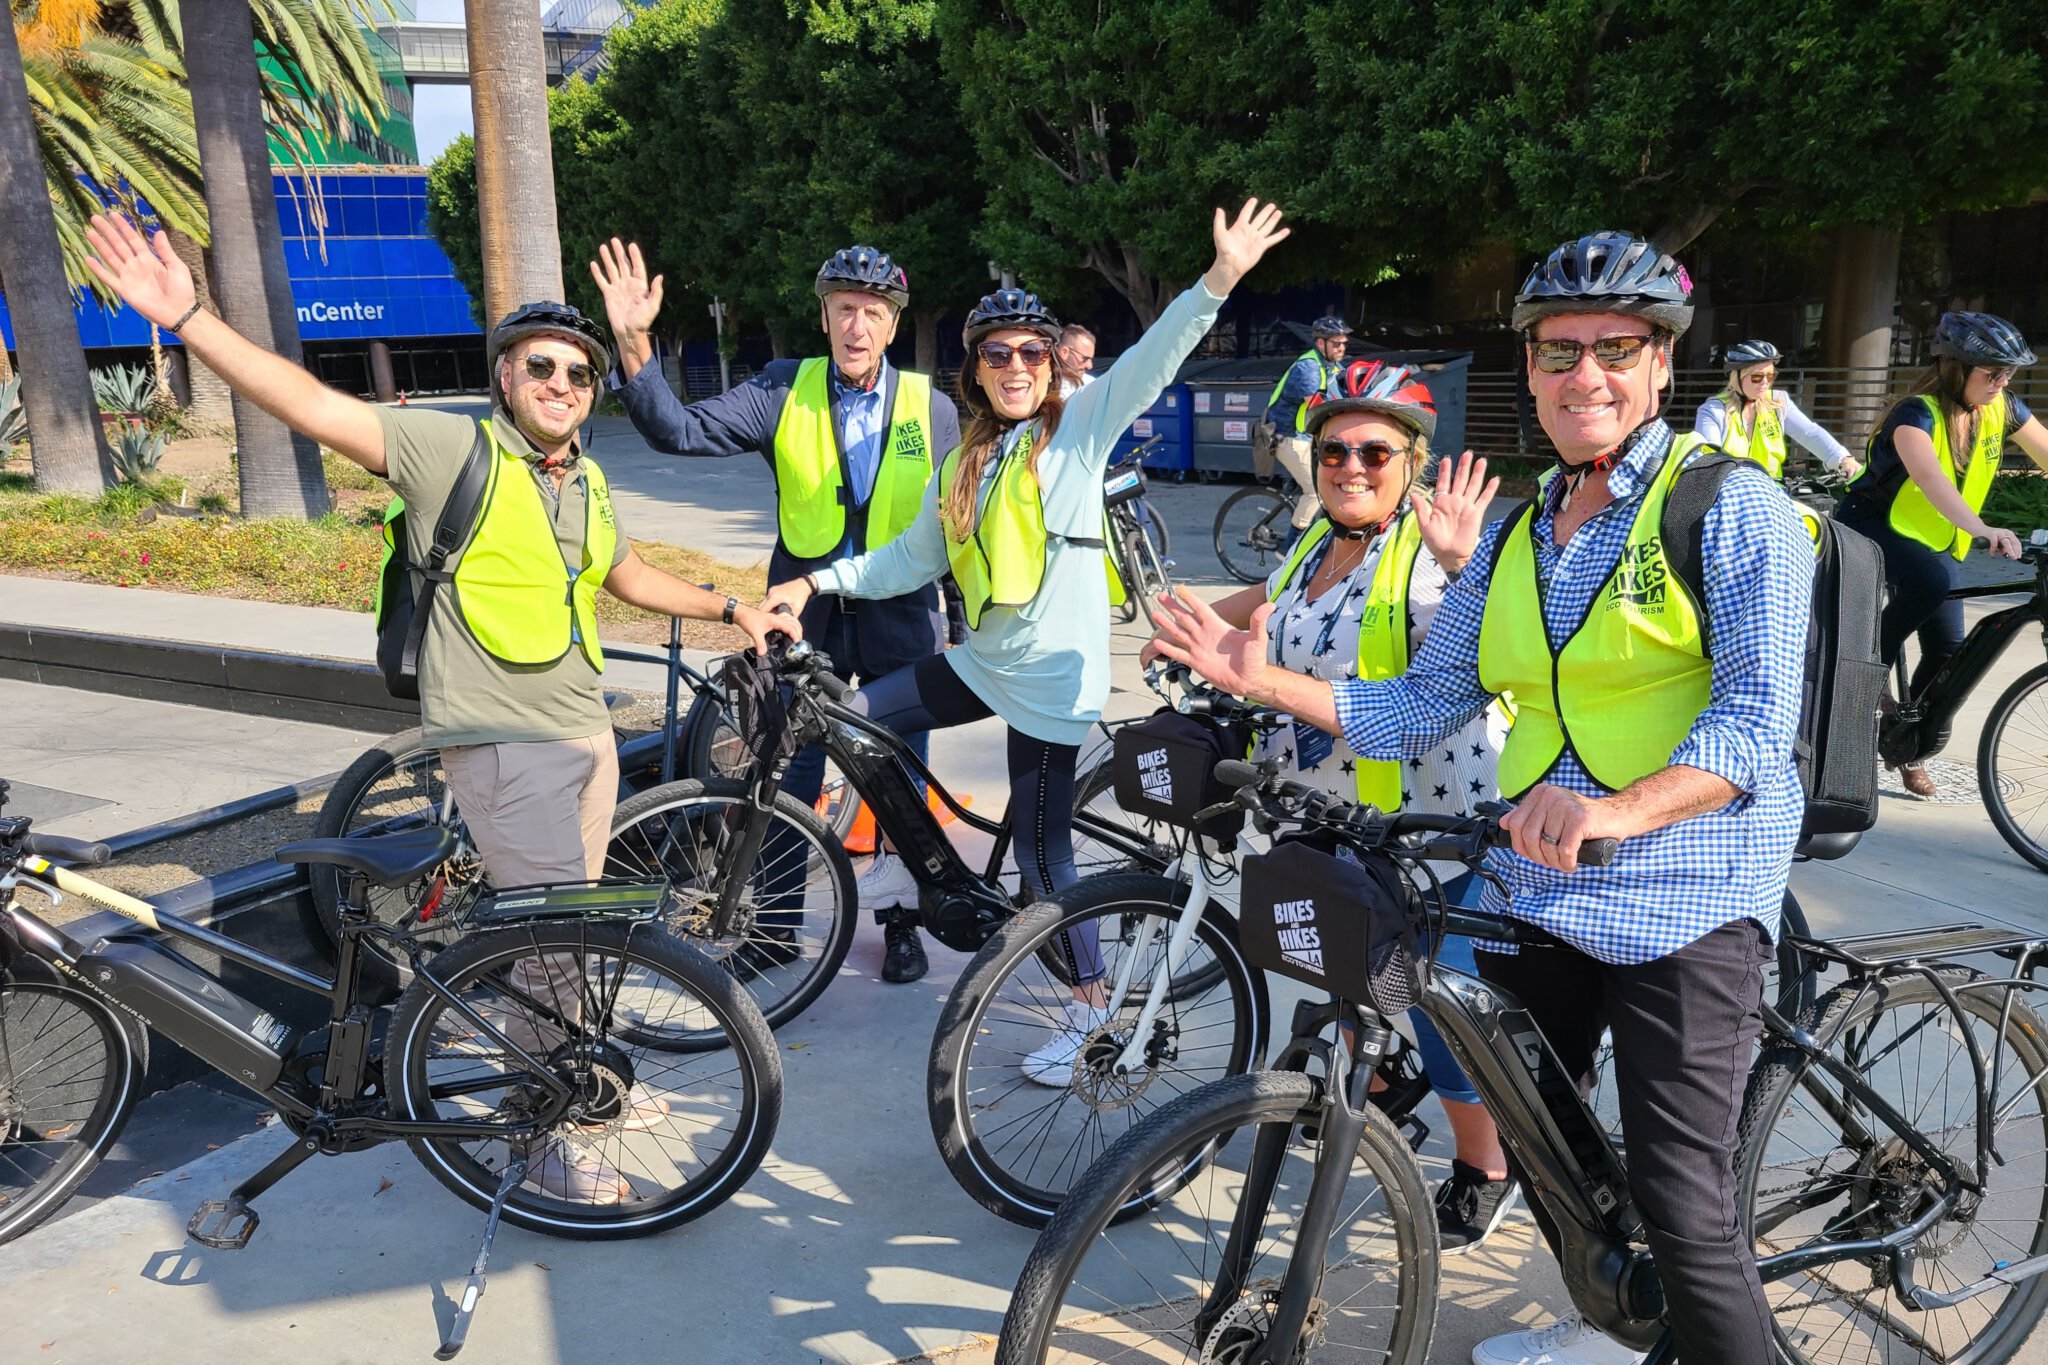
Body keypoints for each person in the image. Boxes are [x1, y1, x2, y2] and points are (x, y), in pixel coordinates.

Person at [1154, 230, 1812, 1365]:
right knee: (1535, 1135)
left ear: (1662, 361)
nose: (1587, 375)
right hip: (1541, 886)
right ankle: (1591, 1314)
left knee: (1684, 1208)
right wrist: (1252, 676)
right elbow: (1413, 704)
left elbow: (1749, 728)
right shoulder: (1522, 529)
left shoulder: (1729, 507)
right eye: (1561, 352)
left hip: (1688, 895)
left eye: (1616, 349)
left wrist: (1614, 807)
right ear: (1530, 365)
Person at [80, 212, 800, 1203]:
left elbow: (625, 572)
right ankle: (539, 1142)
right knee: (550, 952)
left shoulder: (583, 477)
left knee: (569, 945)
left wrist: (731, 608)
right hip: (503, 747)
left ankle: (572, 1087)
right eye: (540, 368)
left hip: (584, 737)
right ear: (505, 376)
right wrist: (192, 318)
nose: (560, 386)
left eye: (578, 374)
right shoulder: (445, 452)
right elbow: (312, 404)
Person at [761, 199, 1291, 1084]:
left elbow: (1152, 362)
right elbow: (907, 558)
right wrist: (815, 580)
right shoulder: (967, 458)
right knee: (856, 719)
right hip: (987, 661)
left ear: (1052, 367)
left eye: (1031, 353)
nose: (1015, 366)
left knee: (1046, 857)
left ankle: (1097, 1022)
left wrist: (1219, 280)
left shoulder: (1075, 434)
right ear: (975, 369)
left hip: (1051, 680)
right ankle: (914, 871)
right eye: (997, 353)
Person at [1150, 361, 1519, 1247]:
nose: (1350, 466)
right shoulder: (1319, 541)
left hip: (1439, 821)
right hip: (1335, 809)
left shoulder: (1434, 556)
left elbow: (1504, 627)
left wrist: (1469, 559)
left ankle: (1486, 1164)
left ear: (1412, 463)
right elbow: (1269, 605)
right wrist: (1188, 627)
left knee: (1437, 1006)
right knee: (1341, 970)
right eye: (1334, 450)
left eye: (1374, 452)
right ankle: (1370, 1090)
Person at [591, 239, 960, 983]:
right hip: (803, 615)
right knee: (784, 770)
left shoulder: (934, 406)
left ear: (893, 325)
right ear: (824, 316)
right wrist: (632, 341)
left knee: (900, 777)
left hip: (902, 613)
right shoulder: (782, 389)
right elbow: (679, 430)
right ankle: (775, 928)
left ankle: (900, 925)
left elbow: (950, 526)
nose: (859, 326)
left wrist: (959, 621)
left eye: (875, 313)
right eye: (846, 309)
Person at [1836, 311, 2043, 798]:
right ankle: (1860, 678)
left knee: (1950, 652)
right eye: (1992, 372)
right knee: (1932, 583)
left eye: (2009, 372)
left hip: (1934, 537)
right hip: (1871, 524)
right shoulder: (1915, 414)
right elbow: (1931, 480)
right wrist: (1982, 528)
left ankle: (1908, 741)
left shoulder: (2002, 407)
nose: (2002, 382)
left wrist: (1971, 529)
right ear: (1956, 367)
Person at [1693, 340, 1862, 481]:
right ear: (1737, 377)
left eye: (1771, 376)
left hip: (1774, 495)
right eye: (1757, 377)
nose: (1765, 382)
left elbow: (1810, 433)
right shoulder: (1714, 410)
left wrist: (1843, 459)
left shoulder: (1778, 402)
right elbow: (1709, 458)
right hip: (1732, 495)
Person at [1264, 315, 1352, 529]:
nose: (1342, 347)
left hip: (1308, 437)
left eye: (1344, 343)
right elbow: (1318, 406)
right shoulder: (1309, 368)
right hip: (1287, 437)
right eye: (1336, 343)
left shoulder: (1332, 365)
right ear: (1321, 343)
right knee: (1315, 491)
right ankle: (1290, 551)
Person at [1055, 324, 1097, 398]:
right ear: (1065, 352)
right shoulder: (1044, 384)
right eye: (1085, 358)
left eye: (1091, 359)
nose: (1090, 366)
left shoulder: (1091, 384)